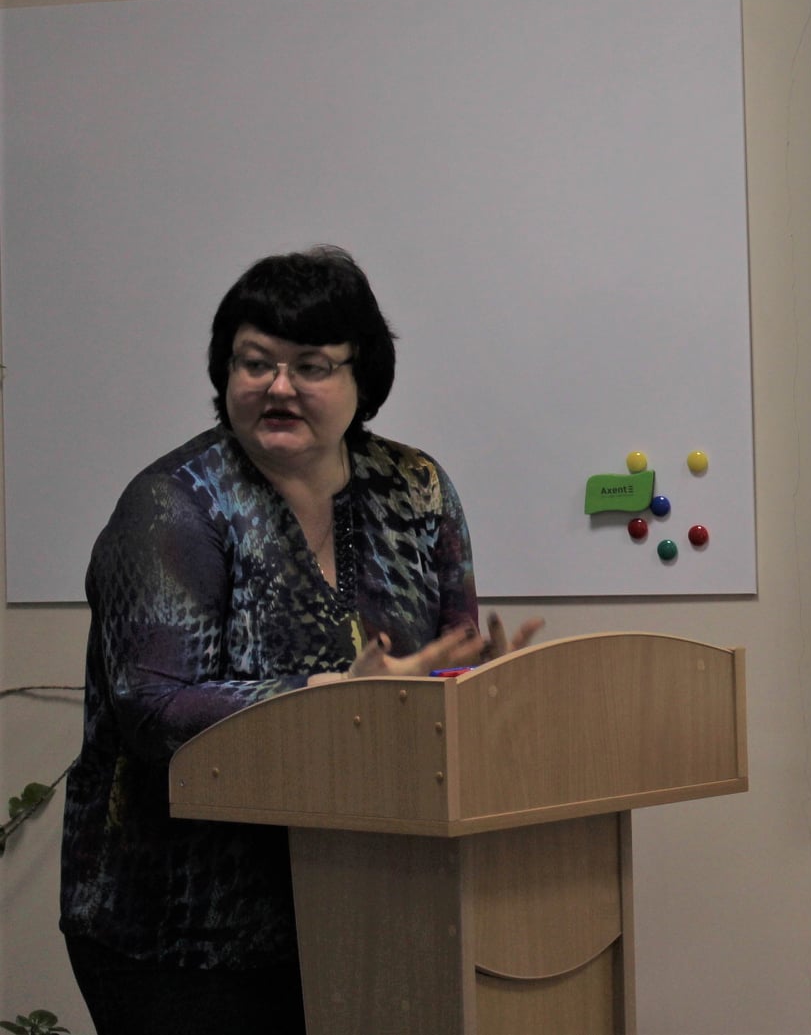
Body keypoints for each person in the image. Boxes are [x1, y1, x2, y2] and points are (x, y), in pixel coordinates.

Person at [58, 247, 541, 1035]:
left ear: (362, 377)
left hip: (367, 901)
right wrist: (329, 697)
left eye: (310, 365)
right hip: (183, 930)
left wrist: (476, 683)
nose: (278, 387)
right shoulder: (173, 506)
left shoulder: (413, 488)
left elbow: (443, 655)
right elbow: (155, 708)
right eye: (256, 362)